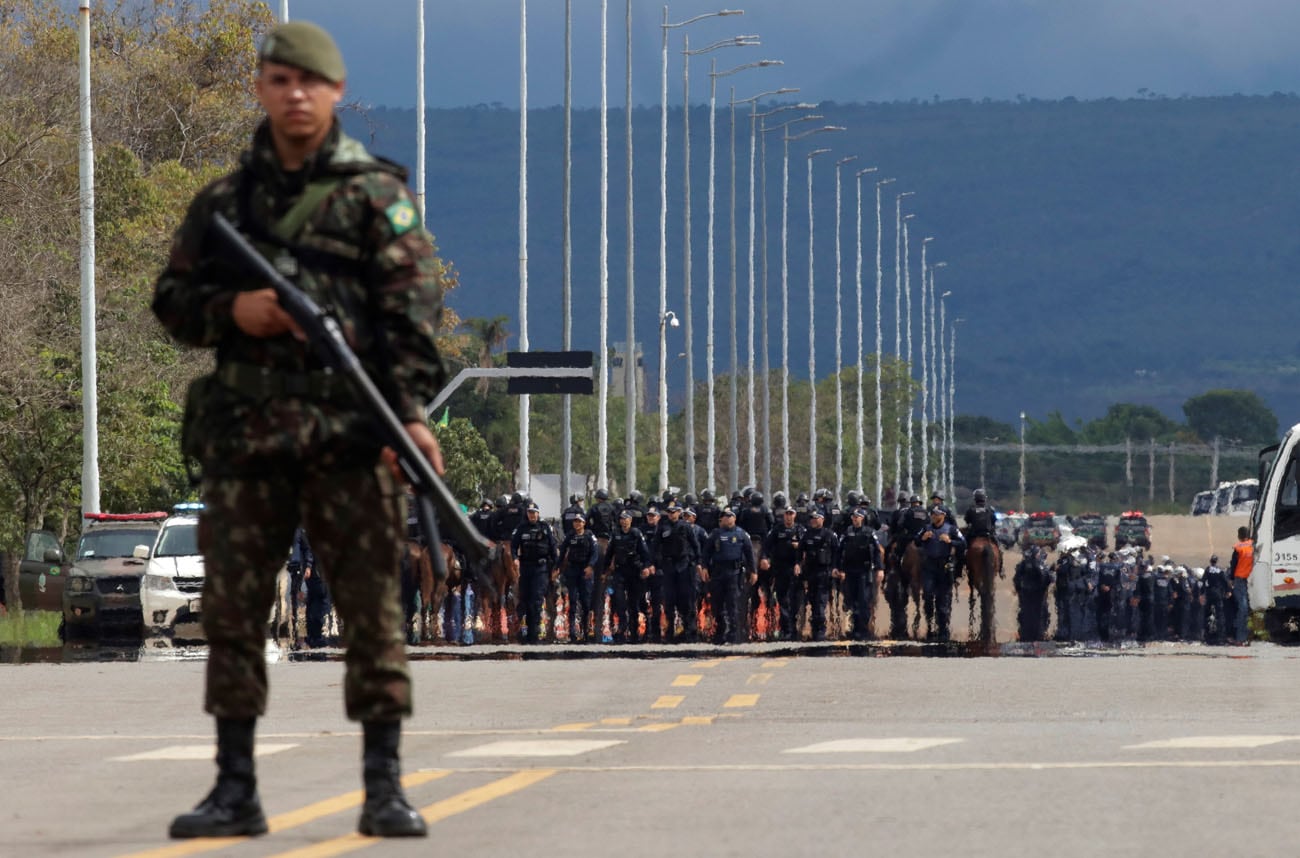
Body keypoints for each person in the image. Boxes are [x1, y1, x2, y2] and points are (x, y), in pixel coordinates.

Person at [153, 20, 444, 840]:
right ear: (261, 89)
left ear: (336, 93)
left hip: (350, 435)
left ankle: (383, 784)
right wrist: (232, 310)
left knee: (371, 608)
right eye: (280, 80)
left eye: (310, 83)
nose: (295, 95)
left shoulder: (373, 196)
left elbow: (412, 320)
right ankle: (234, 786)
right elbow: (171, 302)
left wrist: (410, 415)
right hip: (247, 439)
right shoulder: (224, 204)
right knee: (235, 609)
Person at [703, 507, 755, 644]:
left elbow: (750, 554)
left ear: (734, 518)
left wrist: (753, 571)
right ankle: (720, 632)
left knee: (733, 604)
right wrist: (704, 568)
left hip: (734, 573)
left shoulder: (742, 534)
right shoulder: (715, 534)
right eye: (724, 516)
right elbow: (706, 553)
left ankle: (734, 634)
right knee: (717, 604)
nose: (727, 518)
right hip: (718, 573)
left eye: (729, 516)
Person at [513, 502, 559, 644]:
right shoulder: (521, 528)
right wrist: (515, 559)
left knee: (536, 601)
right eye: (530, 512)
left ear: (538, 514)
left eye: (534, 512)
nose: (532, 515)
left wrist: (556, 568)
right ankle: (523, 631)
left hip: (541, 569)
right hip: (526, 567)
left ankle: (534, 634)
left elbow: (553, 548)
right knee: (524, 600)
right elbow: (514, 546)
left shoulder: (545, 527)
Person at [918, 505, 964, 641]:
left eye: (937, 514)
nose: (933, 516)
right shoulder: (926, 528)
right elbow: (916, 541)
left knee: (943, 599)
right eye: (932, 513)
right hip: (929, 566)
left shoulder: (951, 529)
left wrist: (950, 541)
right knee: (927, 595)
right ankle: (930, 628)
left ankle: (943, 630)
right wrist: (923, 538)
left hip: (944, 567)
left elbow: (963, 543)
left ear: (943, 515)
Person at [837, 508, 884, 640]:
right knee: (852, 601)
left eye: (858, 516)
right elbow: (839, 551)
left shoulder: (869, 533)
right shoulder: (847, 532)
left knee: (863, 601)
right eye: (854, 516)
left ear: (862, 518)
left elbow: (876, 551)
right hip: (850, 571)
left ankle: (864, 630)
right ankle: (855, 629)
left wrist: (879, 569)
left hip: (864, 571)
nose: (855, 518)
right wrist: (838, 568)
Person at [605, 510, 651, 642]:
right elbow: (609, 554)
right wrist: (605, 571)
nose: (623, 521)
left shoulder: (636, 533)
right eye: (621, 518)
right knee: (619, 601)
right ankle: (622, 628)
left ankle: (634, 630)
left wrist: (646, 567)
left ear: (630, 520)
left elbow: (645, 553)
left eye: (626, 519)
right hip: (620, 571)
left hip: (634, 572)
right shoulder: (615, 534)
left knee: (634, 603)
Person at [557, 513, 600, 642]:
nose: (577, 524)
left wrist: (590, 566)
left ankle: (586, 630)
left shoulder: (589, 536)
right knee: (573, 601)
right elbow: (563, 552)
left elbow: (595, 553)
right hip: (572, 571)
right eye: (575, 521)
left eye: (579, 521)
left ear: (584, 523)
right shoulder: (569, 536)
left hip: (585, 571)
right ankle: (571, 632)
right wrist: (557, 568)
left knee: (586, 602)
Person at [796, 509, 839, 641]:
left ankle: (820, 631)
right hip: (810, 572)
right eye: (812, 518)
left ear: (823, 519)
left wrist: (835, 568)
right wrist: (798, 564)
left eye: (817, 518)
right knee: (813, 602)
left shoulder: (829, 535)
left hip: (824, 573)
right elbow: (800, 551)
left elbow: (837, 553)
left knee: (821, 603)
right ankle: (814, 630)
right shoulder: (806, 535)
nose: (814, 520)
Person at [762, 507, 804, 641]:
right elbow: (766, 546)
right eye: (786, 514)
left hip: (796, 569)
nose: (788, 516)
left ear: (795, 515)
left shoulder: (800, 530)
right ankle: (786, 629)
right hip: (780, 569)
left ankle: (795, 628)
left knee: (795, 600)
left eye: (791, 514)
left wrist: (800, 548)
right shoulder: (777, 530)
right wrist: (764, 558)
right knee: (782, 599)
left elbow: (808, 549)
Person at [1227, 526, 1254, 644]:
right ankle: (1249, 636)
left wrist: (1231, 579)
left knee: (1242, 608)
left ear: (1239, 536)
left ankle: (1240, 638)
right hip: (1253, 579)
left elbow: (1233, 565)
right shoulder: (1254, 546)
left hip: (1240, 579)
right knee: (1249, 607)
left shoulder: (1238, 548)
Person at [1202, 554, 1229, 644]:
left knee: (1207, 613)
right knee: (1220, 615)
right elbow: (1225, 581)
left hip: (1209, 593)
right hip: (1218, 593)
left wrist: (1201, 593)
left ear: (1210, 561)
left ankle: (1206, 635)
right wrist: (1228, 591)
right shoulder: (1220, 570)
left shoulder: (1208, 569)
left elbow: (1203, 580)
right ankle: (1221, 637)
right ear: (1216, 561)